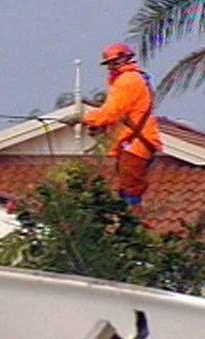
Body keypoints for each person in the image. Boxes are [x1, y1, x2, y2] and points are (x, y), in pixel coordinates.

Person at [69, 43, 163, 215]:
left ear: (126, 59)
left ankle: (135, 227)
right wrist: (101, 127)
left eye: (116, 62)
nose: (113, 66)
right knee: (127, 189)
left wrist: (84, 118)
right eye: (110, 63)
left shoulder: (127, 81)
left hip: (136, 145)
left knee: (130, 193)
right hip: (135, 142)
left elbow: (111, 112)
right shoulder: (133, 79)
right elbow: (122, 114)